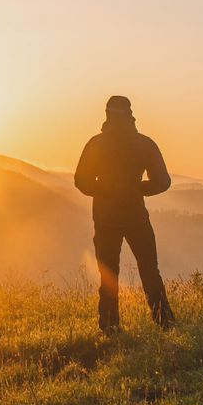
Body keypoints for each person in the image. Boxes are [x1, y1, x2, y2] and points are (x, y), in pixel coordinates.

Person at [74, 96, 175, 333]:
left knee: (108, 273)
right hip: (136, 215)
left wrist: (105, 190)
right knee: (150, 270)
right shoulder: (144, 144)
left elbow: (81, 181)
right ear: (130, 113)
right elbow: (163, 181)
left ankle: (110, 326)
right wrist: (137, 189)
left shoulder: (96, 144)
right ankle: (165, 323)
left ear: (107, 114)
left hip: (105, 216)